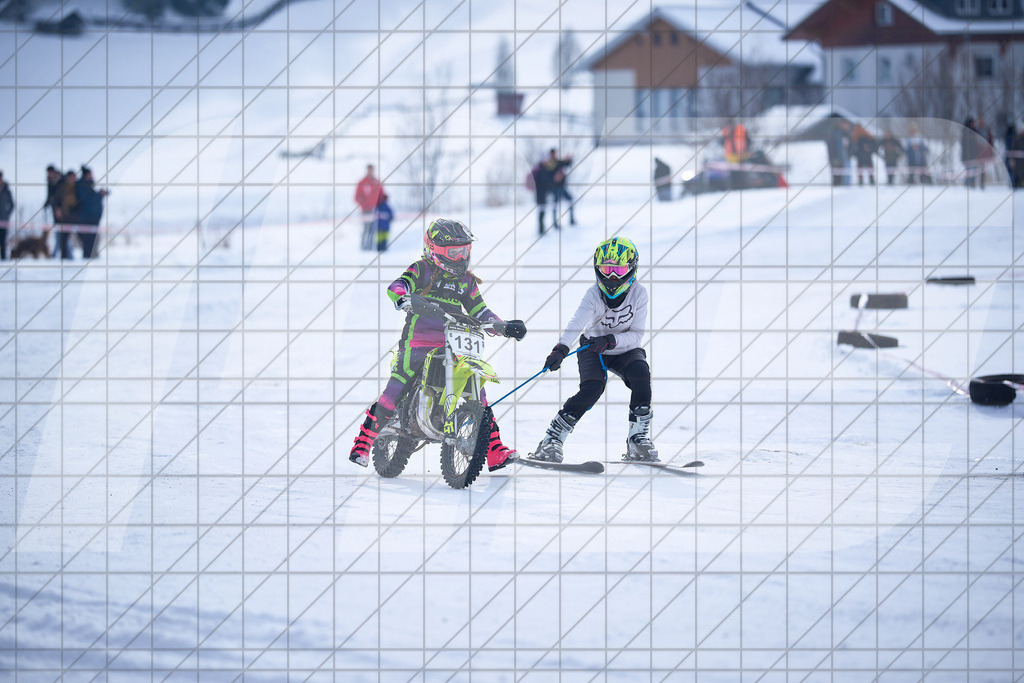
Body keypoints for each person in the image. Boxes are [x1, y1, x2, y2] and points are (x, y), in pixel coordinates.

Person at [348, 218, 527, 472]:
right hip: (419, 341)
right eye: (454, 252)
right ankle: (363, 442)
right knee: (398, 382)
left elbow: (481, 310)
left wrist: (503, 325)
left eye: (465, 251)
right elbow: (398, 285)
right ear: (434, 250)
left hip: (455, 344)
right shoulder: (422, 269)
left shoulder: (466, 281)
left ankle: (494, 449)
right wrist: (405, 297)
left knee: (479, 389)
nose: (460, 256)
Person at [533, 236, 657, 463]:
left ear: (631, 268)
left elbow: (637, 334)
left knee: (641, 374)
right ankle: (551, 440)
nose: (612, 276)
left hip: (624, 348)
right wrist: (560, 349)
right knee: (592, 388)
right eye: (606, 268)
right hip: (593, 348)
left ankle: (637, 440)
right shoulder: (593, 295)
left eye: (618, 269)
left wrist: (611, 340)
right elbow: (576, 325)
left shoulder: (639, 294)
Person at [75, 166, 107, 258]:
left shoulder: (88, 185)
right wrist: (99, 195)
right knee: (88, 241)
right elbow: (87, 200)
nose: (92, 176)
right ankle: (88, 257)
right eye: (90, 174)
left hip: (92, 218)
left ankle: (91, 255)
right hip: (86, 218)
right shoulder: (82, 186)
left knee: (93, 240)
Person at [354, 165, 385, 250]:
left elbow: (381, 194)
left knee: (373, 230)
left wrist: (382, 202)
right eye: (369, 170)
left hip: (375, 210)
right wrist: (364, 205)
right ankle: (363, 248)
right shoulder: (362, 182)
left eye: (372, 170)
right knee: (365, 229)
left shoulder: (377, 182)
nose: (370, 172)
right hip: (365, 211)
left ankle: (370, 248)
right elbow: (357, 197)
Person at [56, 170, 79, 259]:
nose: (73, 179)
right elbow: (56, 200)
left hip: (75, 216)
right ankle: (64, 257)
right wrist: (57, 209)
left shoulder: (78, 187)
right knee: (63, 238)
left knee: (81, 235)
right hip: (65, 216)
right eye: (72, 177)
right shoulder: (62, 187)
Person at [551, 153, 576, 227]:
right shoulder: (550, 164)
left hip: (562, 187)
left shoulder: (558, 162)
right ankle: (555, 223)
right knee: (555, 205)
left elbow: (567, 164)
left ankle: (571, 220)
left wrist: (569, 159)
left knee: (570, 200)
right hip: (554, 187)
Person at [825, 117, 851, 186]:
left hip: (842, 159)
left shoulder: (844, 134)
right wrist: (832, 158)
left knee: (842, 177)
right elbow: (831, 147)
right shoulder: (835, 134)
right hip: (836, 159)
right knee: (837, 178)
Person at [961, 117, 979, 188]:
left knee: (972, 171)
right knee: (969, 172)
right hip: (968, 156)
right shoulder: (966, 132)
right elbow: (965, 145)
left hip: (974, 155)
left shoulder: (975, 132)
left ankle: (971, 186)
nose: (974, 124)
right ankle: (968, 186)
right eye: (973, 123)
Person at [0, 170, 13, 260]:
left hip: (4, 219)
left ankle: (4, 258)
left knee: (3, 241)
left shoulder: (6, 190)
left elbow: (12, 204)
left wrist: (7, 215)